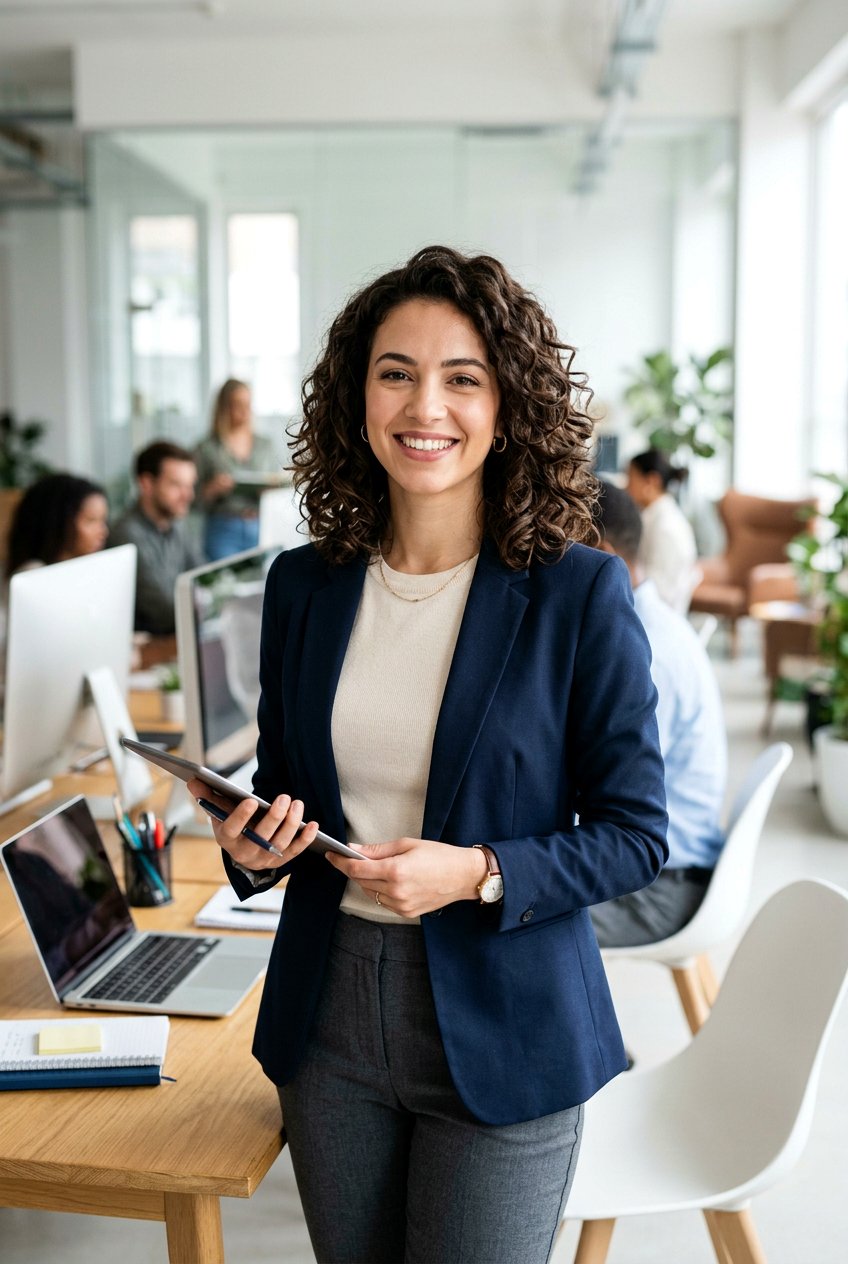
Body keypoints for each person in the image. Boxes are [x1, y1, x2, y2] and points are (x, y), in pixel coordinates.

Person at [187, 245, 668, 1264]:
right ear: (357, 398)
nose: (425, 407)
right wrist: (253, 842)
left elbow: (635, 836)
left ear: (507, 406)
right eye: (395, 372)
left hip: (505, 1015)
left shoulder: (578, 592)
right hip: (327, 1022)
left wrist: (480, 870)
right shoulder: (302, 586)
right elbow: (283, 786)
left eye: (462, 378)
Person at [590, 481, 727, 947]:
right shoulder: (638, 626)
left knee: (497, 917)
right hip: (662, 869)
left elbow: (605, 803)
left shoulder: (646, 653)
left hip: (662, 889)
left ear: (599, 551)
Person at [108, 440, 204, 635]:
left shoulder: (177, 523)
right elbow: (166, 612)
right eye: (177, 485)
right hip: (153, 645)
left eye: (190, 485)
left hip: (180, 634)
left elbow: (204, 578)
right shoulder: (127, 534)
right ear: (146, 484)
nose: (188, 495)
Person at [193, 379, 281, 561]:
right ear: (224, 408)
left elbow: (277, 487)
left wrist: (271, 489)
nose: (245, 411)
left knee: (264, 585)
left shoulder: (265, 445)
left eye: (248, 404)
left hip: (260, 526)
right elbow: (192, 501)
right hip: (223, 528)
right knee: (224, 585)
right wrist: (213, 489)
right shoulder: (206, 448)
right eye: (238, 404)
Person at [625, 447, 699, 613]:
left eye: (630, 478)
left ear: (651, 481)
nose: (626, 486)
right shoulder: (654, 517)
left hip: (656, 619)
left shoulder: (665, 527)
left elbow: (658, 592)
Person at [6, 472, 108, 577]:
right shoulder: (33, 574)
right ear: (58, 523)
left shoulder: (91, 569)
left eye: (103, 521)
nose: (103, 532)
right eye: (91, 520)